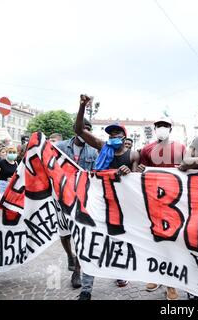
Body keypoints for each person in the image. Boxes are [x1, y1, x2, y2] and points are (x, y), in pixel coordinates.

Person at [74, 94, 140, 300]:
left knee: (119, 243)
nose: (113, 136)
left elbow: (139, 182)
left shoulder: (133, 155)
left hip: (122, 208)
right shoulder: (102, 147)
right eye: (110, 134)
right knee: (90, 242)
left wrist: (130, 173)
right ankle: (86, 289)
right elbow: (79, 130)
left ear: (124, 136)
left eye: (117, 133)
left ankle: (120, 274)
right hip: (98, 203)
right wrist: (82, 106)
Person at [138, 116, 186, 301]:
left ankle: (171, 285)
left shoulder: (180, 148)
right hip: (153, 202)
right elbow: (139, 173)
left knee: (171, 244)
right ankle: (156, 276)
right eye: (160, 126)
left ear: (170, 129)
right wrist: (140, 170)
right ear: (155, 128)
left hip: (175, 203)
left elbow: (189, 170)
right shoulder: (146, 149)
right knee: (154, 242)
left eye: (166, 126)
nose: (162, 128)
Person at [56, 118, 98, 289]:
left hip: (83, 198)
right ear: (75, 129)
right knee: (64, 233)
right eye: (82, 128)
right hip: (61, 195)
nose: (84, 132)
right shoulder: (59, 147)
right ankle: (70, 255)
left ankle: (77, 270)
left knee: (81, 235)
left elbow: (95, 174)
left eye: (88, 129)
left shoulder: (93, 151)